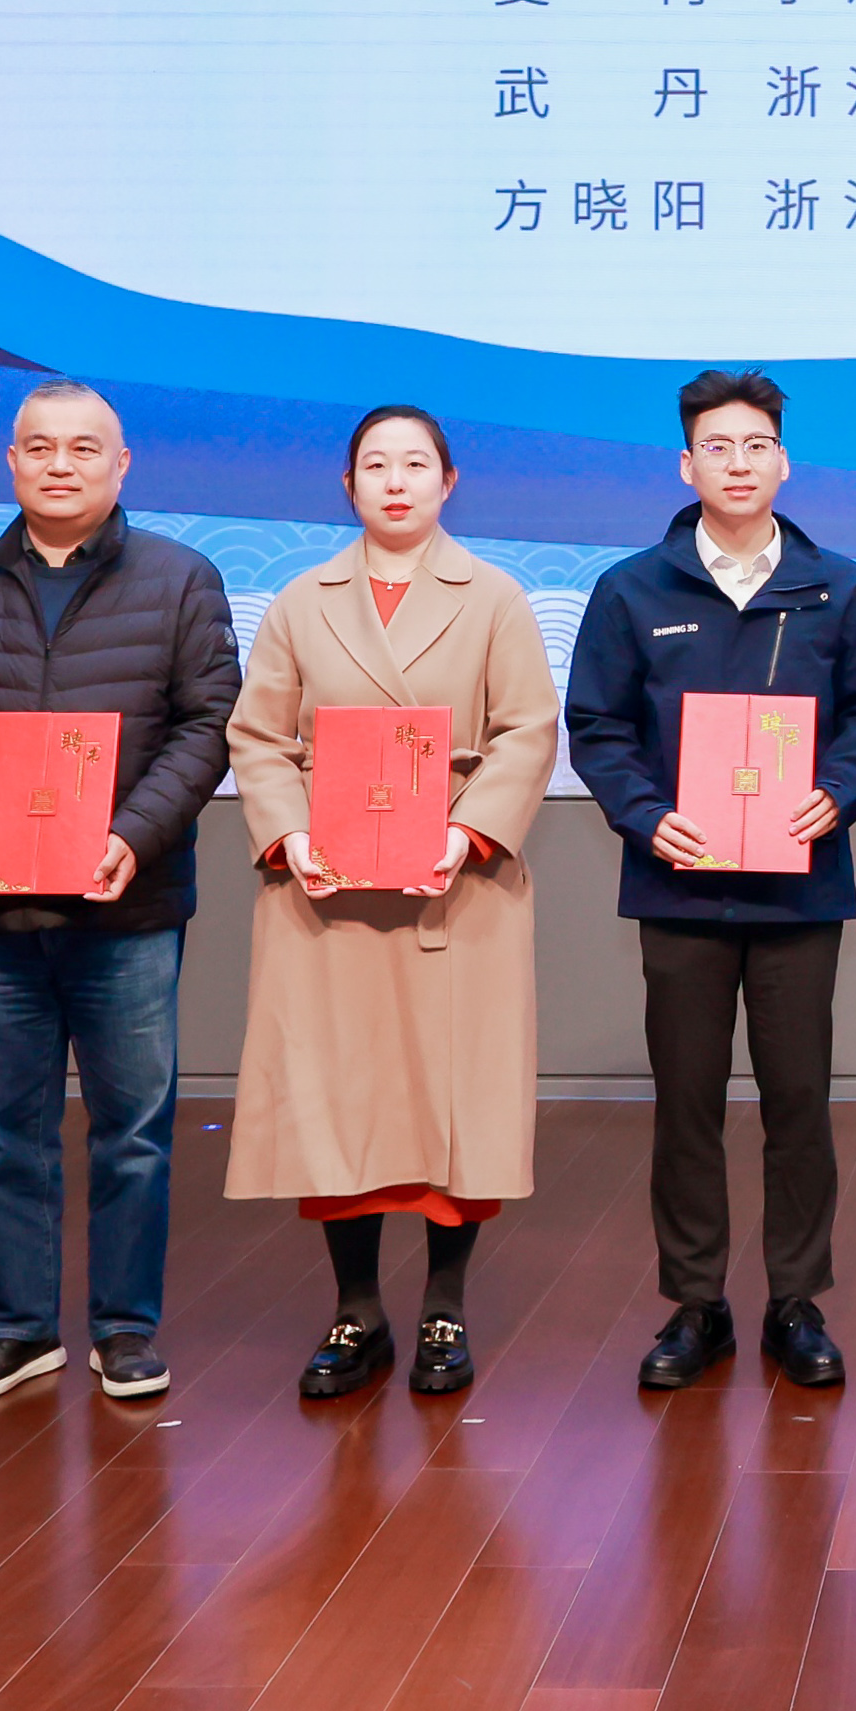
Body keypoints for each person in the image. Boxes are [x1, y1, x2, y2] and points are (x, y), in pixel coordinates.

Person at [0, 381, 239, 1404]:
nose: (60, 464)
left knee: (133, 1131)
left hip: (126, 902)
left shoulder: (179, 578)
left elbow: (208, 722)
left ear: (121, 464)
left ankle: (126, 1328)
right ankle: (18, 1328)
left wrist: (133, 834)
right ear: (11, 460)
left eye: (84, 447)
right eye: (39, 446)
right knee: (0, 1130)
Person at [565, 369, 856, 1392]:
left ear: (783, 461)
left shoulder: (837, 586)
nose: (739, 463)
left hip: (799, 889)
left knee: (798, 1098)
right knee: (686, 1100)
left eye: (757, 444)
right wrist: (645, 815)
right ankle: (695, 1302)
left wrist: (838, 792)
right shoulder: (632, 588)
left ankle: (796, 1300)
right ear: (687, 465)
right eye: (717, 446)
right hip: (678, 885)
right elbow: (598, 725)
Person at [224, 405, 561, 1400]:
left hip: (455, 883)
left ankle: (445, 1305)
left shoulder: (493, 595)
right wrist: (290, 834)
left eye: (416, 463)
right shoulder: (301, 599)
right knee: (339, 1100)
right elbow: (257, 736)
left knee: (456, 1101)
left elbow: (527, 730)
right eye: (376, 464)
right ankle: (356, 1308)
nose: (396, 480)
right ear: (348, 484)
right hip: (328, 888)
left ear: (448, 481)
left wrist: (463, 831)